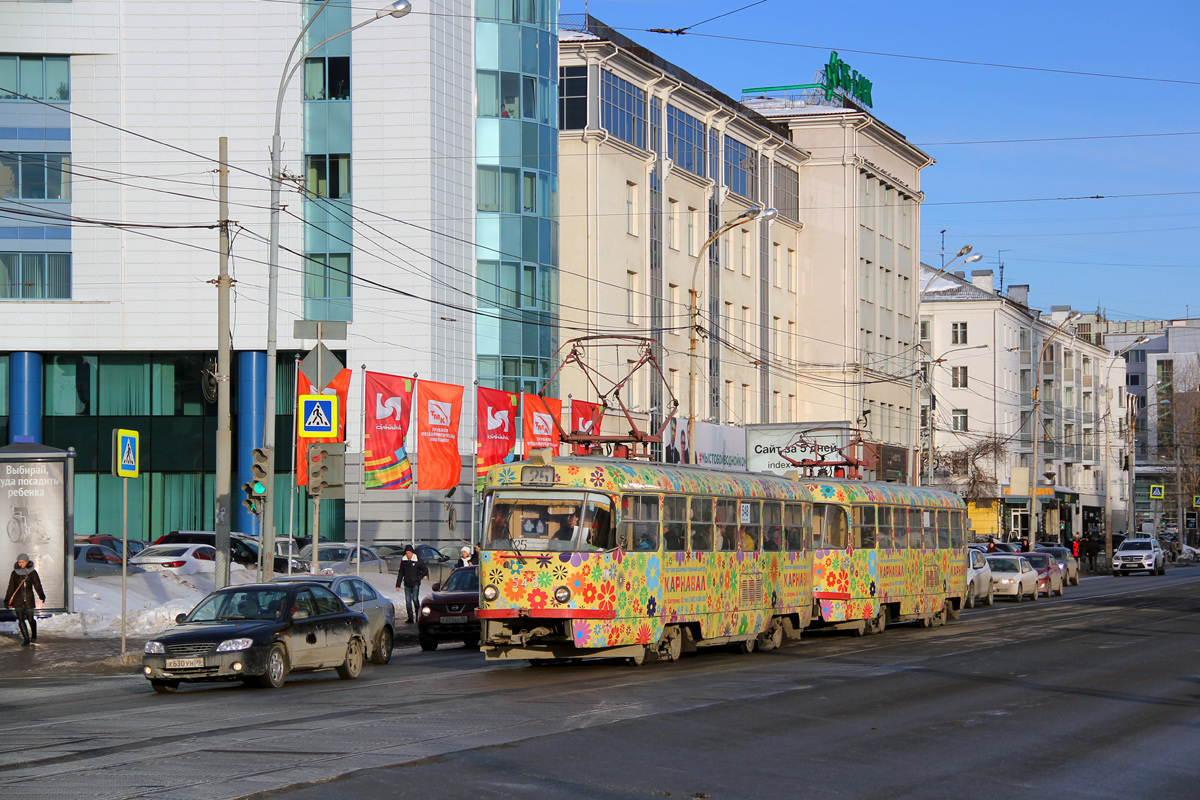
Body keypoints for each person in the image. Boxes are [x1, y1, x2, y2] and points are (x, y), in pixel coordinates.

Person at [5, 553, 45, 646]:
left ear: (27, 562)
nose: (20, 564)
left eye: (22, 562)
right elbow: (11, 587)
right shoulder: (14, 573)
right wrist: (7, 599)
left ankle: (33, 635)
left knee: (31, 619)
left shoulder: (32, 572)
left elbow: (37, 585)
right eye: (19, 562)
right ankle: (26, 639)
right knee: (21, 619)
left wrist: (41, 595)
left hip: (29, 599)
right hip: (18, 600)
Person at [395, 545, 428, 624]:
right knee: (408, 601)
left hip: (415, 583)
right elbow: (401, 573)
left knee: (415, 599)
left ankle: (418, 615)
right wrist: (398, 584)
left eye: (409, 553)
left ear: (412, 553)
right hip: (407, 584)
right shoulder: (404, 561)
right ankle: (410, 617)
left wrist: (418, 578)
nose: (408, 555)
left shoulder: (417, 560)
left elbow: (425, 571)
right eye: (406, 553)